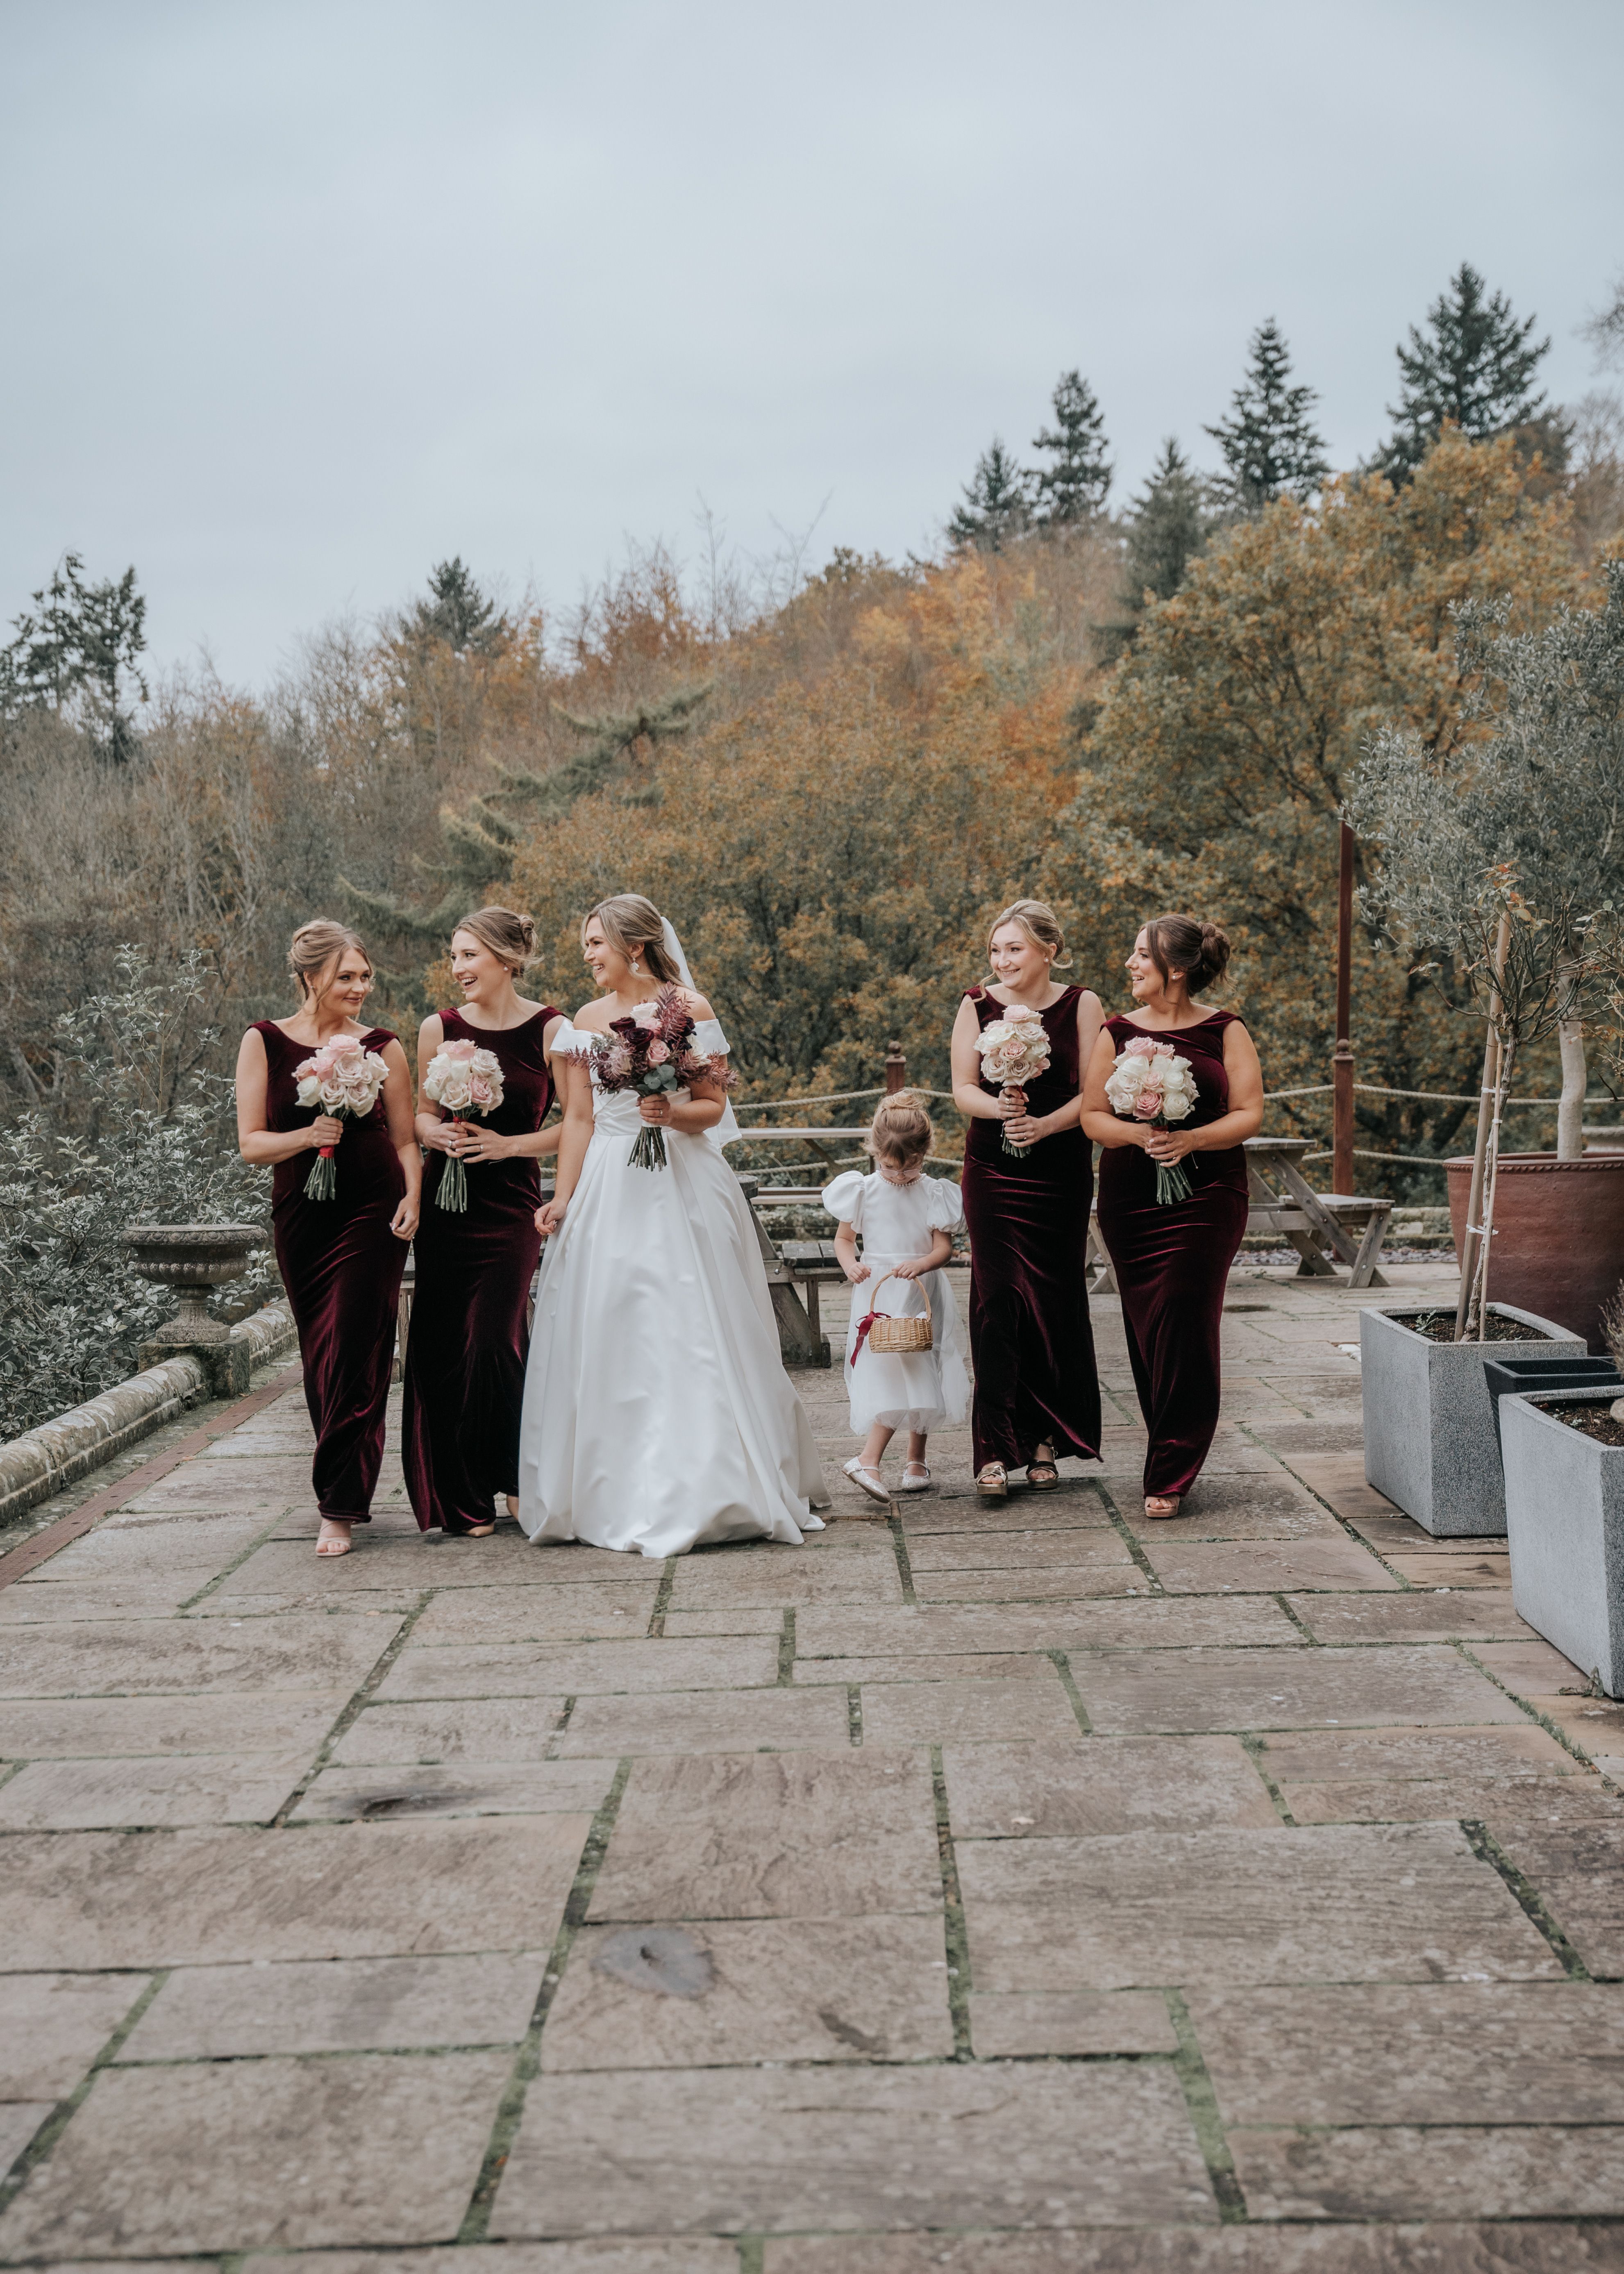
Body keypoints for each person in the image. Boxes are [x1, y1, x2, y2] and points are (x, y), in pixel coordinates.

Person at [516, 892, 828, 1556]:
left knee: (692, 1323)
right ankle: (612, 1487)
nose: (589, 958)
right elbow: (578, 1119)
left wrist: (670, 1113)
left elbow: (713, 1106)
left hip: (682, 1177)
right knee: (617, 1322)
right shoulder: (583, 1020)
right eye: (584, 948)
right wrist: (563, 1197)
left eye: (595, 944)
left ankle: (715, 1482)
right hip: (608, 1184)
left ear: (632, 945)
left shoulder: (690, 1009)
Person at [235, 920, 420, 1555]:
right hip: (302, 1218)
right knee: (322, 1356)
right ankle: (343, 1484)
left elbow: (404, 1139)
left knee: (353, 1346)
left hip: (374, 1210)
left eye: (365, 976)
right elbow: (251, 1144)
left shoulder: (384, 1046)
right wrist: (307, 1137)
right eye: (347, 976)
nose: (360, 987)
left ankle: (338, 1506)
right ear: (311, 976)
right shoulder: (263, 1041)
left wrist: (415, 1196)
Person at [1081, 913, 1263, 1519]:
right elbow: (1091, 1117)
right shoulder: (1114, 1032)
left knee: (1185, 1320)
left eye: (1140, 955)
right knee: (1148, 1326)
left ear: (1175, 969)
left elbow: (1247, 1113)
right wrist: (1140, 1136)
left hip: (1208, 1194)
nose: (1129, 964)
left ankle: (1170, 1468)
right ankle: (1168, 1441)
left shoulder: (1224, 1030)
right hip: (1131, 1198)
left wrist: (1191, 1142)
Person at [403, 907, 563, 1538]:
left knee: (497, 1339)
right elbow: (416, 1114)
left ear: (504, 959)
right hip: (447, 1207)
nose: (457, 969)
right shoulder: (436, 1028)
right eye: (453, 956)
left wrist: (506, 1147)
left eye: (468, 955)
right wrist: (434, 1133)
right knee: (443, 1348)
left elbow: (574, 1127)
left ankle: (519, 1477)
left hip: (510, 1208)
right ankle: (462, 1496)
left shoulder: (553, 1029)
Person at [950, 898, 1103, 1499]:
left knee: (1053, 1299)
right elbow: (962, 1088)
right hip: (992, 1167)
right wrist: (1001, 1110)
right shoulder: (975, 1004)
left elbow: (1095, 1094)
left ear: (1048, 951)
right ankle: (992, 1450)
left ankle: (1044, 1441)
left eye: (1014, 948)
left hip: (1059, 1168)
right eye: (995, 950)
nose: (1001, 960)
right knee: (996, 1301)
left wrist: (1043, 1127)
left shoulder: (1082, 1004)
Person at [823, 1094, 970, 1503]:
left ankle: (916, 1458)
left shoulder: (934, 1192)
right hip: (879, 1291)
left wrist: (922, 1264)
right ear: (876, 1152)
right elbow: (844, 1239)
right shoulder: (863, 1190)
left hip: (920, 1289)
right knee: (889, 1370)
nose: (901, 1174)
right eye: (891, 1166)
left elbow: (944, 1249)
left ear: (925, 1153)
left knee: (925, 1358)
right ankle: (869, 1460)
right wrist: (851, 1264)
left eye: (910, 1165)